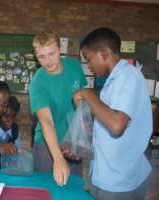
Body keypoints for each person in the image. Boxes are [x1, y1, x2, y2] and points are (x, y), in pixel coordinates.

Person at [73, 27, 152, 200]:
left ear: (103, 53)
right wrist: (82, 145)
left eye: (89, 59)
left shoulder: (128, 77)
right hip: (107, 172)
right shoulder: (113, 81)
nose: (89, 65)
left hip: (119, 180)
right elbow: (105, 122)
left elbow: (116, 125)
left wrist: (87, 94)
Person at [29, 31, 87, 186]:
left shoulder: (74, 67)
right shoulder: (37, 82)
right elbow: (46, 121)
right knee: (46, 189)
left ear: (60, 49)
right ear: (36, 56)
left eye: (51, 54)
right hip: (47, 145)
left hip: (73, 143)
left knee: (73, 188)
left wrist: (80, 138)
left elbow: (83, 103)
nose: (47, 61)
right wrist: (58, 159)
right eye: (41, 56)